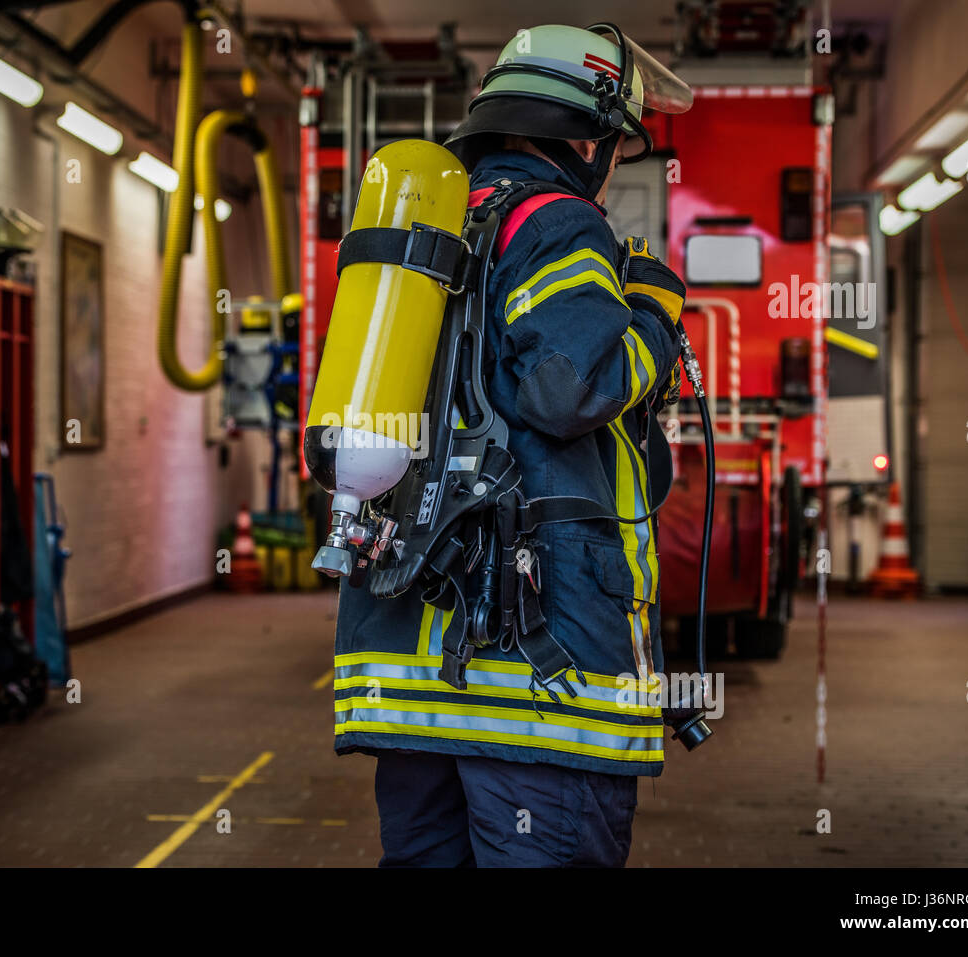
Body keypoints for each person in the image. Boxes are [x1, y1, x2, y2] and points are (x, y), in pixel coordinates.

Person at [332, 22, 694, 867]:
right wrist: (653, 314)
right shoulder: (558, 222)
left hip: (406, 675)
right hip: (536, 682)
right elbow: (569, 388)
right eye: (615, 147)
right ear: (587, 137)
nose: (611, 170)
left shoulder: (428, 233)